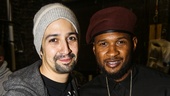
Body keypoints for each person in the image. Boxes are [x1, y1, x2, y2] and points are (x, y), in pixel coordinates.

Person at [79, 6, 170, 96]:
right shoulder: (86, 92)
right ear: (94, 49)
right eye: (103, 44)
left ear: (133, 44)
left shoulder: (163, 86)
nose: (112, 52)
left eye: (120, 42)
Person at [3, 3, 80, 96]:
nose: (66, 50)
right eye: (54, 40)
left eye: (71, 38)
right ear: (40, 49)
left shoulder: (77, 84)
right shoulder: (19, 93)